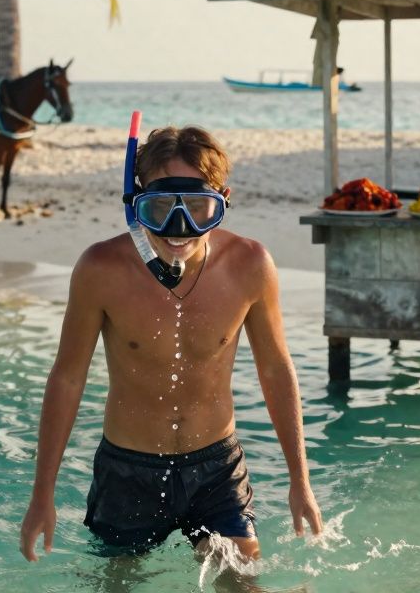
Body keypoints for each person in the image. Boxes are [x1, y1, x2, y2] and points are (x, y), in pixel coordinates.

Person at [19, 120, 322, 566]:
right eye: (161, 206)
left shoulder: (250, 266)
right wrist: (42, 493)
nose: (178, 228)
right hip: (128, 472)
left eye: (198, 207)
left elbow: (276, 369)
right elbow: (67, 378)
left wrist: (301, 480)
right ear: (136, 202)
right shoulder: (101, 269)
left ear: (223, 203)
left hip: (217, 470)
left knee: (242, 582)